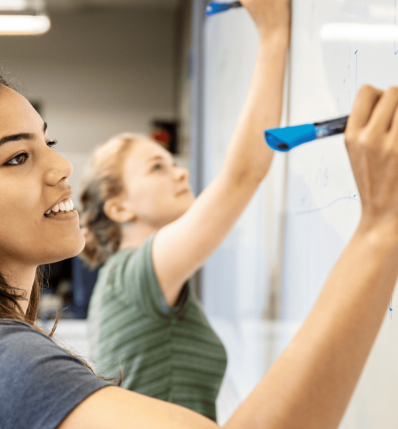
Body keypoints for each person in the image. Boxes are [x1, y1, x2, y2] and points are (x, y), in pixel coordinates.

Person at [0, 32, 398, 429]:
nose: (60, 166)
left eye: (47, 141)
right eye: (17, 155)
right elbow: (242, 175)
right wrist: (384, 226)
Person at [78, 0, 288, 420]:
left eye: (173, 162)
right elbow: (243, 174)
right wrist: (274, 36)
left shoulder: (130, 282)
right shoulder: (133, 275)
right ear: (119, 207)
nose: (180, 173)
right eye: (158, 167)